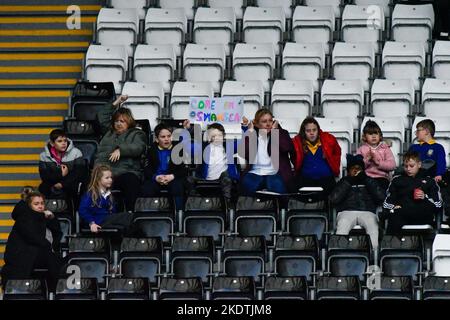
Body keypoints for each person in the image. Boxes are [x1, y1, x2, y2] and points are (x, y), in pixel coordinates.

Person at [1, 191, 62, 292]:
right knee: (52, 259)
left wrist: (52, 219)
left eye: (42, 203)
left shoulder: (43, 217)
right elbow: (33, 237)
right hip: (20, 256)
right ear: (29, 205)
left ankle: (56, 291)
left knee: (56, 260)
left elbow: (57, 233)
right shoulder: (24, 218)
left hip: (35, 255)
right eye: (36, 204)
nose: (40, 206)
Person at [95, 95, 147, 211]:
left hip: (125, 172)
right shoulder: (109, 132)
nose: (119, 124)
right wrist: (117, 102)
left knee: (131, 180)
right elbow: (101, 117)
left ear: (129, 122)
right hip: (104, 173)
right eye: (116, 121)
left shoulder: (136, 134)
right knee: (88, 182)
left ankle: (130, 213)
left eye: (122, 121)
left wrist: (121, 150)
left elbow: (139, 147)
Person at [329, 154, 386, 250]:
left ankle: (373, 255)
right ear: (348, 170)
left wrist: (366, 180)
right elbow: (334, 199)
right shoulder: (343, 181)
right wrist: (349, 181)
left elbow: (381, 197)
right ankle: (339, 254)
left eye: (358, 168)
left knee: (372, 224)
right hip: (346, 211)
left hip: (367, 211)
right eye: (353, 168)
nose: (356, 170)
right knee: (343, 223)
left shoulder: (369, 180)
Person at [383, 151, 442, 234]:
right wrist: (393, 207)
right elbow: (387, 202)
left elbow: (438, 205)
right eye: (405, 166)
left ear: (419, 164)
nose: (408, 169)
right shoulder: (397, 180)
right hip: (402, 214)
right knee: (394, 214)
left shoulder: (429, 180)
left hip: (422, 214)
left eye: (411, 166)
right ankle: (392, 245)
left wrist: (424, 197)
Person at [239, 109, 295, 196]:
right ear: (257, 124)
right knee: (246, 190)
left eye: (270, 120)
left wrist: (275, 131)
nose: (268, 124)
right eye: (264, 121)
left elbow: (287, 147)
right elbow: (245, 153)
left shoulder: (281, 133)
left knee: (279, 190)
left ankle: (283, 209)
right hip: (255, 173)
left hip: (275, 173)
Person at [187, 122, 240, 206]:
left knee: (226, 178)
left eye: (219, 135)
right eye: (213, 136)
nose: (217, 138)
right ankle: (194, 203)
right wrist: (188, 130)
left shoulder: (229, 146)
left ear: (224, 136)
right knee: (189, 180)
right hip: (205, 178)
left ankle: (227, 205)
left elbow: (245, 143)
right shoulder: (202, 147)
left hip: (223, 179)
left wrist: (245, 128)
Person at [141, 122, 188, 211]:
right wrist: (156, 177)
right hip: (157, 179)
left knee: (177, 187)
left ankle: (179, 215)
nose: (166, 139)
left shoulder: (178, 149)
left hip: (173, 178)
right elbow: (147, 169)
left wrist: (171, 176)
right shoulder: (151, 150)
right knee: (147, 188)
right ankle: (148, 216)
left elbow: (184, 170)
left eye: (169, 136)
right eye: (163, 137)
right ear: (157, 139)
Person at [292, 117, 341, 198]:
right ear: (303, 132)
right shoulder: (298, 143)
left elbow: (337, 152)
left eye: (314, 130)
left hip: (326, 179)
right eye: (308, 131)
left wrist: (332, 162)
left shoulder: (328, 140)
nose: (312, 133)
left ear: (318, 130)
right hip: (306, 179)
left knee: (334, 192)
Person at [79, 165, 136, 234]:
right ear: (98, 179)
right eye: (107, 178)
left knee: (128, 227)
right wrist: (91, 223)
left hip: (108, 220)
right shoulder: (90, 194)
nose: (111, 180)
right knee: (129, 216)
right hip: (98, 221)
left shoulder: (109, 195)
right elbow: (83, 210)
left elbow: (113, 212)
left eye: (111, 177)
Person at [39, 129, 86, 200]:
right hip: (53, 182)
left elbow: (79, 174)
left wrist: (62, 184)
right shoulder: (44, 156)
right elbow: (44, 177)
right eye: (59, 141)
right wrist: (60, 174)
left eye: (65, 140)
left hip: (70, 183)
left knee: (74, 187)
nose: (63, 143)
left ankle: (72, 210)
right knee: (43, 187)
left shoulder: (76, 152)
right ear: (52, 143)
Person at [357, 120, 396, 191]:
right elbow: (358, 167)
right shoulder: (361, 149)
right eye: (370, 134)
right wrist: (367, 159)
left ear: (380, 135)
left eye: (376, 133)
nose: (374, 136)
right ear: (365, 136)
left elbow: (392, 165)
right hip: (366, 178)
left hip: (381, 178)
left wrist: (379, 163)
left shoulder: (385, 148)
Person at [409, 118, 446, 183]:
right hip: (413, 179)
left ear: (426, 131)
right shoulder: (413, 147)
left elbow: (441, 163)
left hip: (430, 179)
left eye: (418, 131)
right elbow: (407, 163)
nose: (416, 134)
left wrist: (439, 174)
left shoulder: (438, 147)